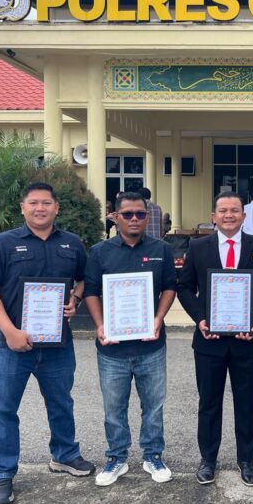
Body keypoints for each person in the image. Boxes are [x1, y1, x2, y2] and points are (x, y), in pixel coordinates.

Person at [0, 182, 94, 504]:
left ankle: (64, 455)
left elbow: (83, 280)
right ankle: (2, 473)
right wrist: (10, 330)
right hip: (10, 344)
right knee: (2, 410)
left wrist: (75, 300)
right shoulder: (4, 243)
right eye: (34, 203)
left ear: (57, 208)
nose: (40, 208)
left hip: (57, 344)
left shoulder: (71, 243)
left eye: (46, 203)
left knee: (61, 402)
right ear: (23, 208)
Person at [176, 191, 253, 487]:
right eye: (223, 210)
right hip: (209, 340)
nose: (229, 215)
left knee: (246, 402)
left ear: (244, 216)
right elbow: (184, 287)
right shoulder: (198, 247)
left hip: (247, 340)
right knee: (209, 402)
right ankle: (208, 459)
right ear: (214, 216)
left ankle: (247, 459)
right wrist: (200, 318)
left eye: (234, 210)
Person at [83, 191, 177, 487]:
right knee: (114, 409)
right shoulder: (100, 252)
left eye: (140, 214)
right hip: (112, 349)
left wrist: (158, 318)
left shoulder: (162, 249)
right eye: (127, 214)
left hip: (151, 345)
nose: (134, 219)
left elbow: (170, 287)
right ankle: (116, 457)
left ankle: (153, 455)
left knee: (154, 406)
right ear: (115, 217)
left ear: (147, 217)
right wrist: (100, 325)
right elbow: (91, 292)